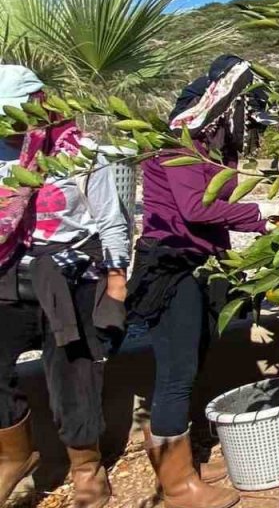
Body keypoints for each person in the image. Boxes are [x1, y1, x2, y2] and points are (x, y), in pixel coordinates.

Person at [130, 55, 269, 508]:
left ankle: (183, 463)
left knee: (193, 363)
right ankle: (177, 486)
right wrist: (259, 215)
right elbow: (194, 208)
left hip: (203, 264)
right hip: (173, 269)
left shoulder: (210, 146)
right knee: (176, 375)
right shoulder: (180, 142)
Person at [0, 65, 131, 507]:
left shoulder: (80, 152)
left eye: (17, 116)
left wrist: (116, 285)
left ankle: (85, 466)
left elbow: (112, 220)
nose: (12, 129)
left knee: (75, 372)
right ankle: (13, 455)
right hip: (10, 272)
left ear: (40, 105)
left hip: (70, 272)